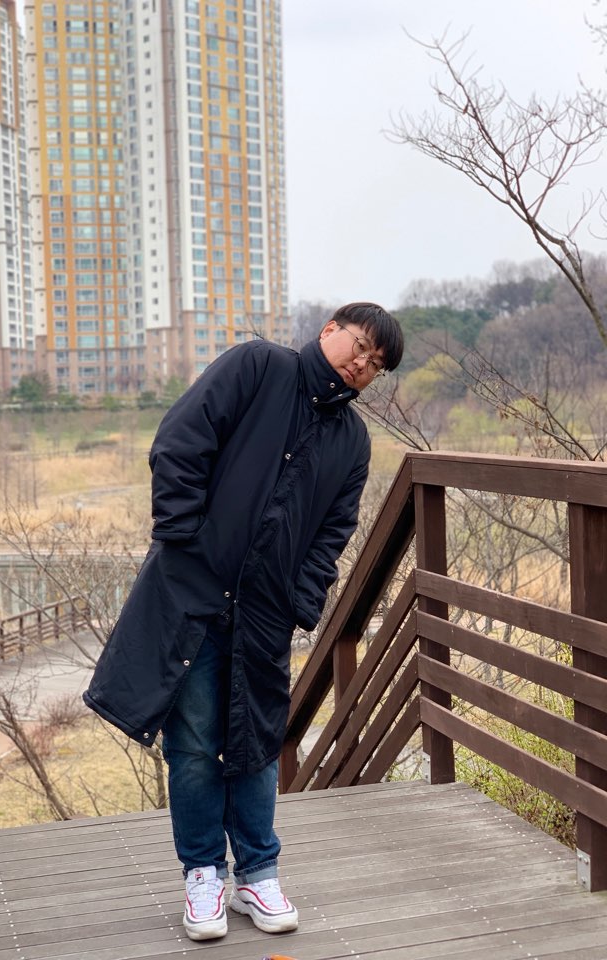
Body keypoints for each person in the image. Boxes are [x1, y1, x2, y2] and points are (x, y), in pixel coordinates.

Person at [84, 302, 404, 941]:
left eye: (375, 364)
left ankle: (259, 873)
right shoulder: (259, 366)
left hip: (264, 611)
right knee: (195, 742)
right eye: (359, 347)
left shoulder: (352, 441)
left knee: (258, 741)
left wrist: (299, 601)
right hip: (194, 596)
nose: (362, 365)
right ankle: (204, 875)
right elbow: (181, 439)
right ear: (330, 331)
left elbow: (333, 532)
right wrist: (184, 538)